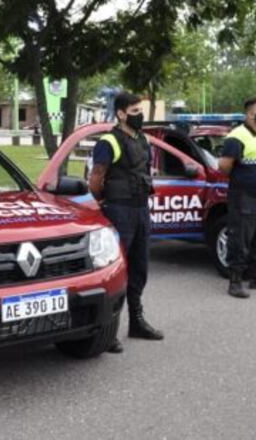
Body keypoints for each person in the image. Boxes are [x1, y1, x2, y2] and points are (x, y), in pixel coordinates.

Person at [88, 92, 163, 353]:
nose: (140, 115)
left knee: (139, 268)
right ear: (120, 113)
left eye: (140, 110)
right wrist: (101, 202)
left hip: (141, 210)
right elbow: (96, 177)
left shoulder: (142, 139)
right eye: (134, 111)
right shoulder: (109, 141)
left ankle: (137, 321)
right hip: (119, 211)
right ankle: (108, 331)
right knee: (117, 271)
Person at [218, 97, 256, 298]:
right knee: (240, 241)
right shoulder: (237, 136)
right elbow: (224, 166)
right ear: (250, 114)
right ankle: (235, 282)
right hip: (245, 198)